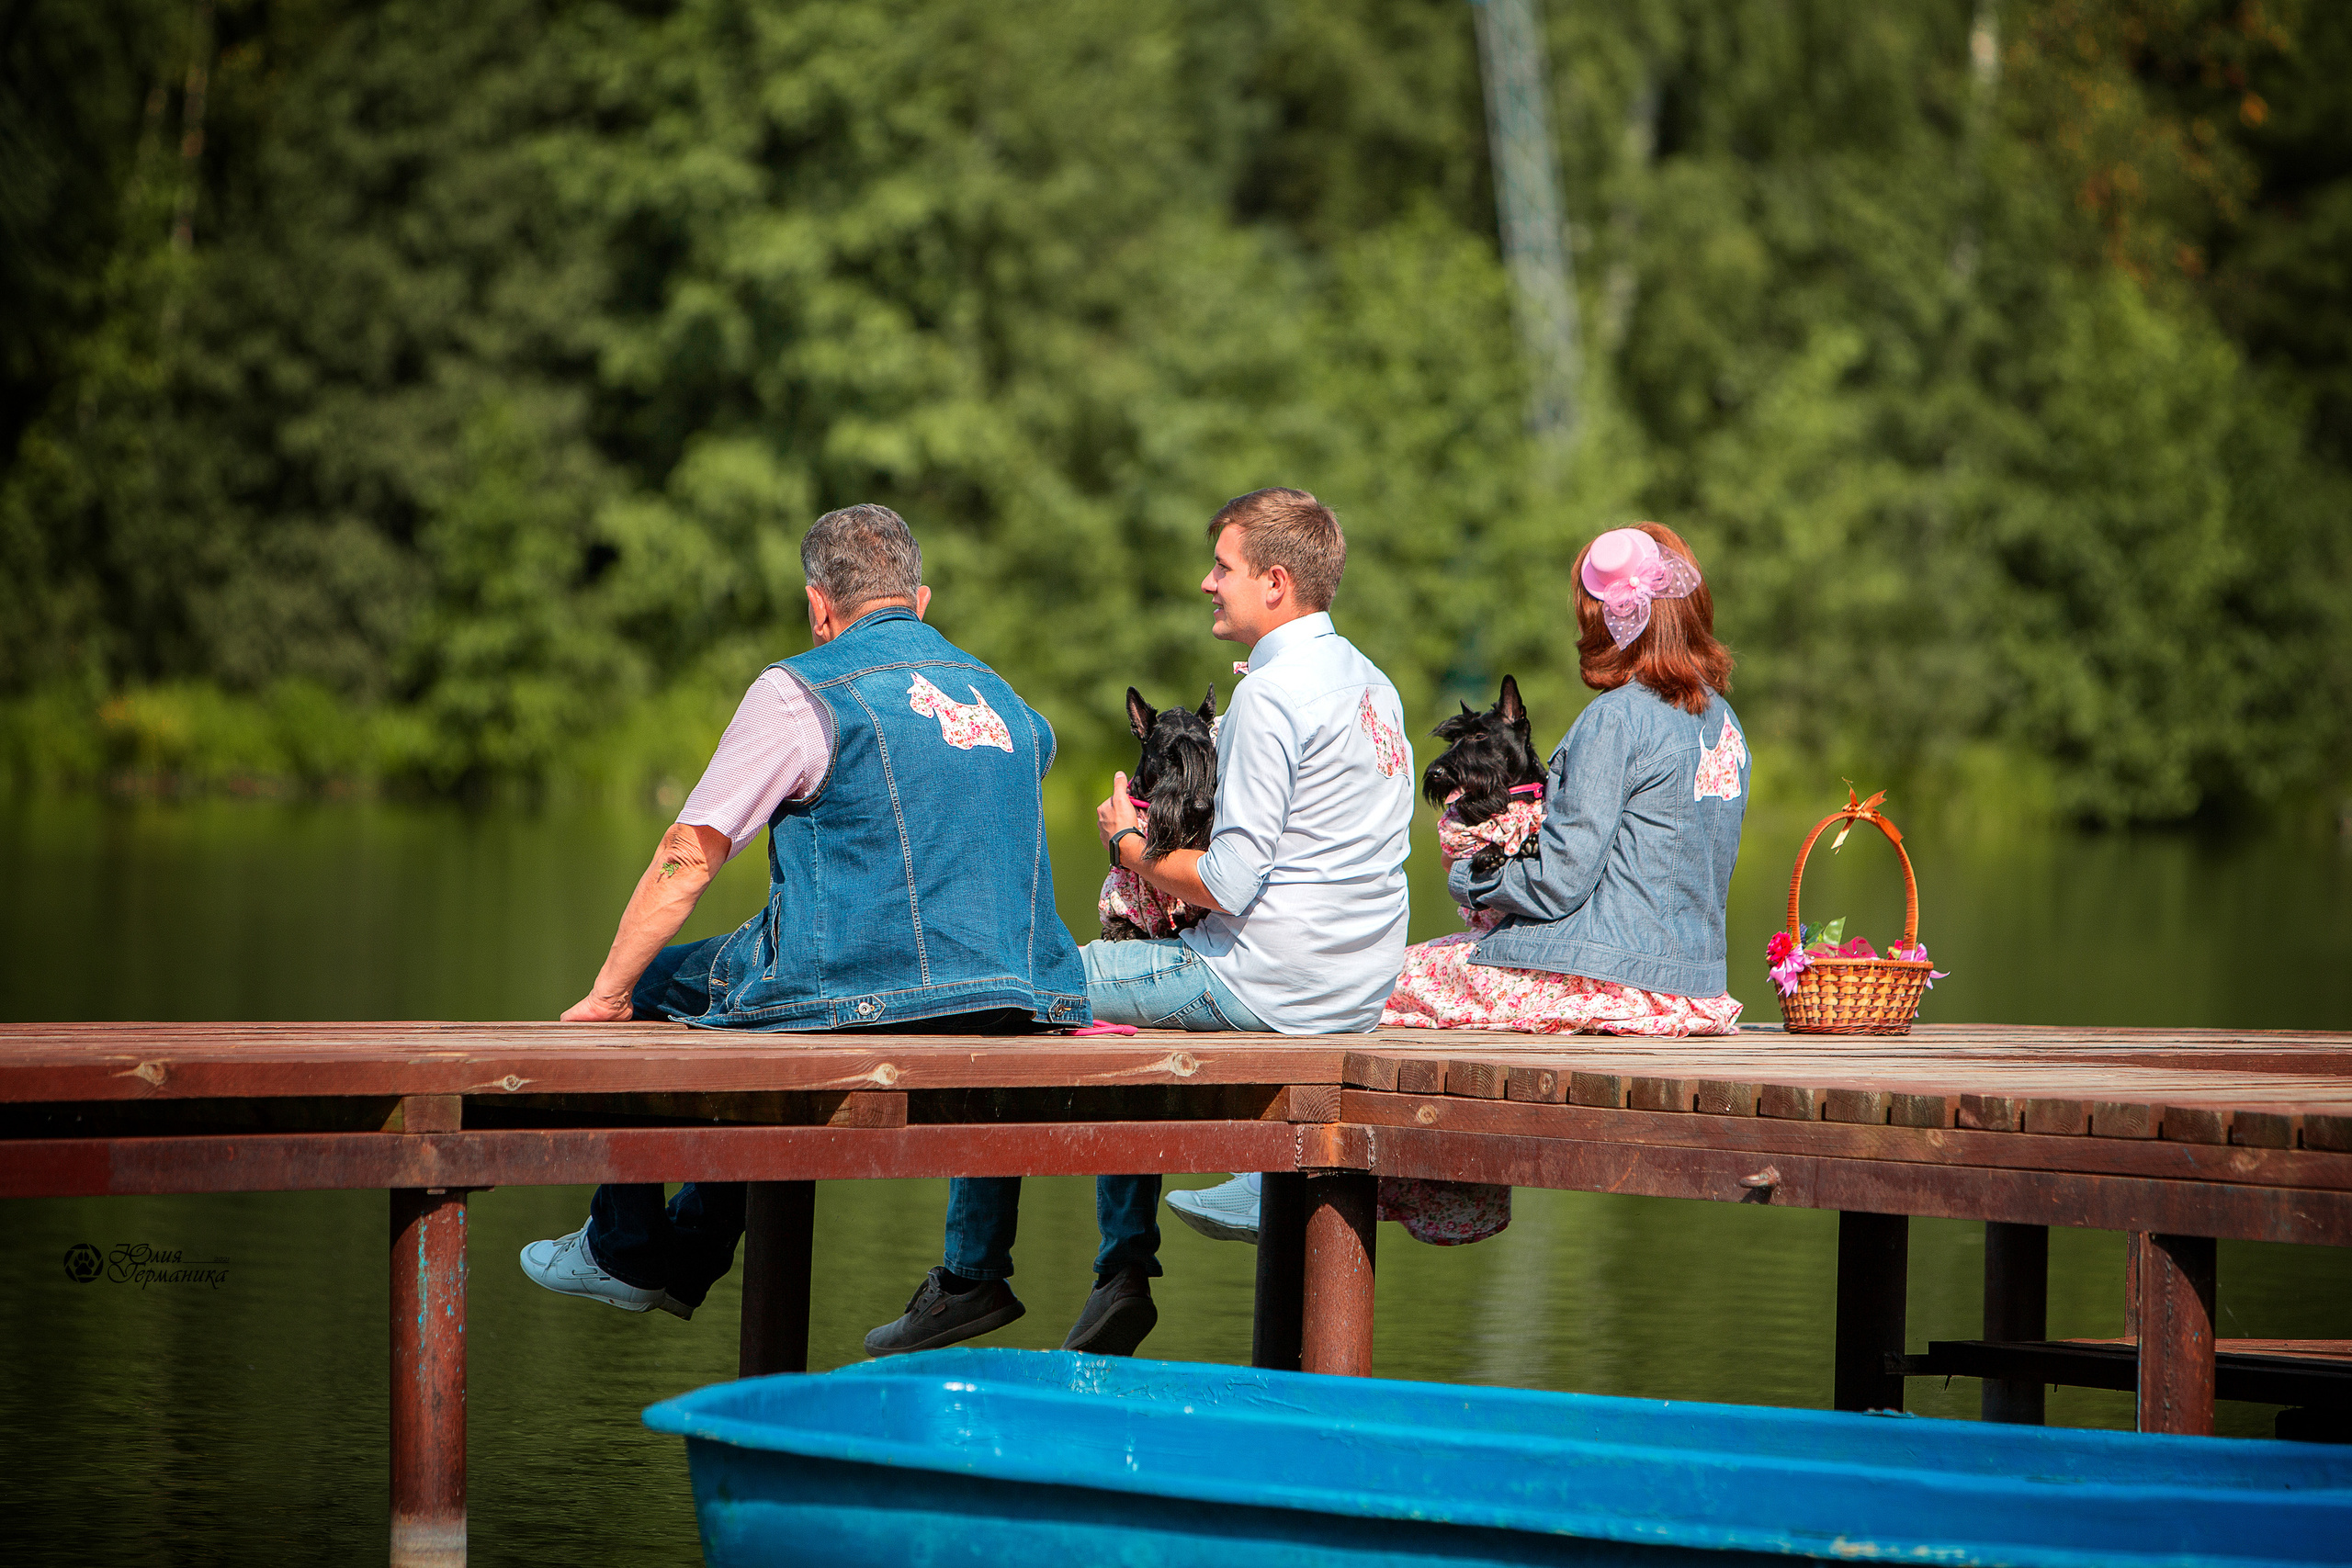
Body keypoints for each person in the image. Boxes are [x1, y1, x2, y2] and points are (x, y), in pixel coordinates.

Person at [518, 504, 1125, 1348]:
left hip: (855, 993)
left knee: (651, 987)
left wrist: (606, 996)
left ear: (818, 605)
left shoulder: (800, 691)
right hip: (1016, 1001)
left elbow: (688, 855)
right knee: (748, 1040)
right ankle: (686, 1254)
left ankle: (624, 1252)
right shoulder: (1008, 700)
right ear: (920, 600)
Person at [1097, 486, 1418, 1247]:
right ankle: (1248, 1186)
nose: (1207, 582)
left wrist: (1128, 844)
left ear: (1275, 582)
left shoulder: (1271, 694)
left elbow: (1230, 882)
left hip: (1271, 983)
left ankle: (994, 1271)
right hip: (1359, 988)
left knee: (1036, 985)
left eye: (1223, 567)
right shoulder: (1375, 683)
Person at [1385, 521, 1747, 1037]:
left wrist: (1465, 876)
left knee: (1381, 979)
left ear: (1609, 618)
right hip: (1696, 989)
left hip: (1606, 981)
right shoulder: (1725, 721)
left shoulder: (1615, 718)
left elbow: (1558, 881)